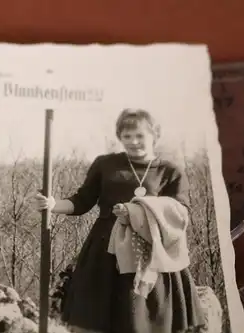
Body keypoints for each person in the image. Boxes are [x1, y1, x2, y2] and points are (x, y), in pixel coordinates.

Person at [32, 108, 206, 333]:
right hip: (105, 252)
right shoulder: (106, 165)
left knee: (143, 319)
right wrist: (53, 205)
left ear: (155, 135)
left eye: (140, 136)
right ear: (120, 137)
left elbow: (180, 214)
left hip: (150, 251)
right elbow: (82, 201)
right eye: (127, 136)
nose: (133, 142)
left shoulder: (170, 171)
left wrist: (137, 213)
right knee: (98, 320)